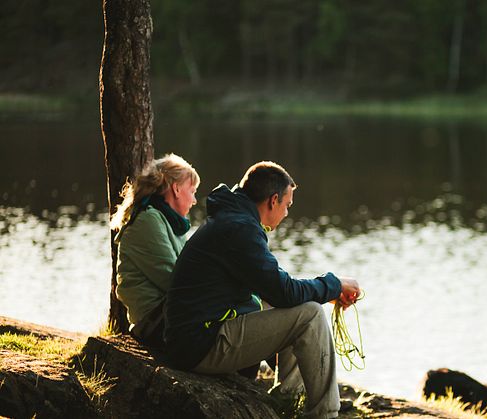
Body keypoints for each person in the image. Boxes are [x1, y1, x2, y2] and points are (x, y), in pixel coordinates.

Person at [164, 161, 359, 419]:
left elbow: (276, 289)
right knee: (309, 314)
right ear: (273, 200)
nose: (287, 213)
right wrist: (333, 285)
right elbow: (284, 291)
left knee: (294, 306)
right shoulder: (240, 229)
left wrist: (325, 291)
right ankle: (324, 413)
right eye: (287, 206)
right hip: (200, 345)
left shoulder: (233, 219)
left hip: (193, 339)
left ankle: (288, 398)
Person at [110, 153, 200, 347]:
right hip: (155, 322)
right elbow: (173, 279)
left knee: (252, 307)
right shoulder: (148, 220)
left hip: (170, 315)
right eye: (192, 191)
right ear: (176, 189)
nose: (194, 201)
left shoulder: (170, 223)